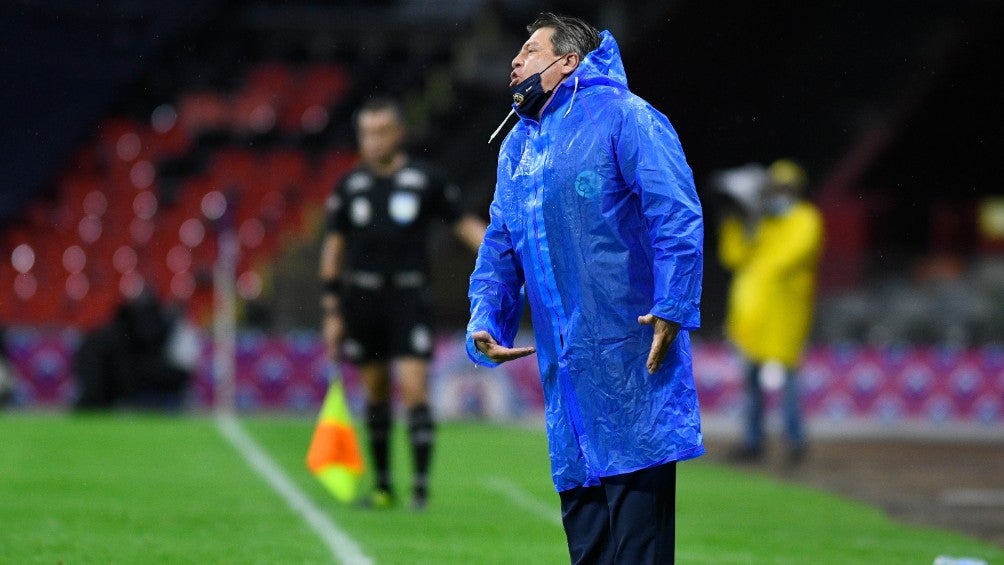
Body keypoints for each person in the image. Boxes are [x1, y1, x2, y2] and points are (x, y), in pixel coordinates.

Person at [467, 13, 704, 564]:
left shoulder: (627, 117)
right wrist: (486, 317)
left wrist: (673, 304)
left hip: (633, 359)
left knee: (639, 552)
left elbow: (676, 214)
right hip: (567, 376)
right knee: (589, 552)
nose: (515, 62)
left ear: (567, 62)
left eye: (529, 50)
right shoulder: (518, 148)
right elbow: (501, 243)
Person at [319, 96, 487, 510]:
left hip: (409, 296)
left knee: (413, 389)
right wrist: (331, 310)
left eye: (380, 132)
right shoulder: (350, 185)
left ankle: (420, 489)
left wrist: (505, 256)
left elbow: (464, 223)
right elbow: (333, 248)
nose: (372, 141)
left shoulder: (425, 180)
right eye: (365, 133)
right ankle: (382, 487)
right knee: (375, 392)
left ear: (398, 133)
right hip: (362, 297)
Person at [717, 158, 823, 464]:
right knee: (750, 382)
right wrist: (734, 222)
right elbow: (733, 257)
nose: (779, 193)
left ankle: (795, 441)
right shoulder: (759, 222)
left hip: (785, 315)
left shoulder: (806, 219)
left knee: (788, 380)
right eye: (775, 187)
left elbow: (786, 259)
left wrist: (755, 228)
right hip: (752, 315)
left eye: (785, 188)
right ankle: (753, 441)